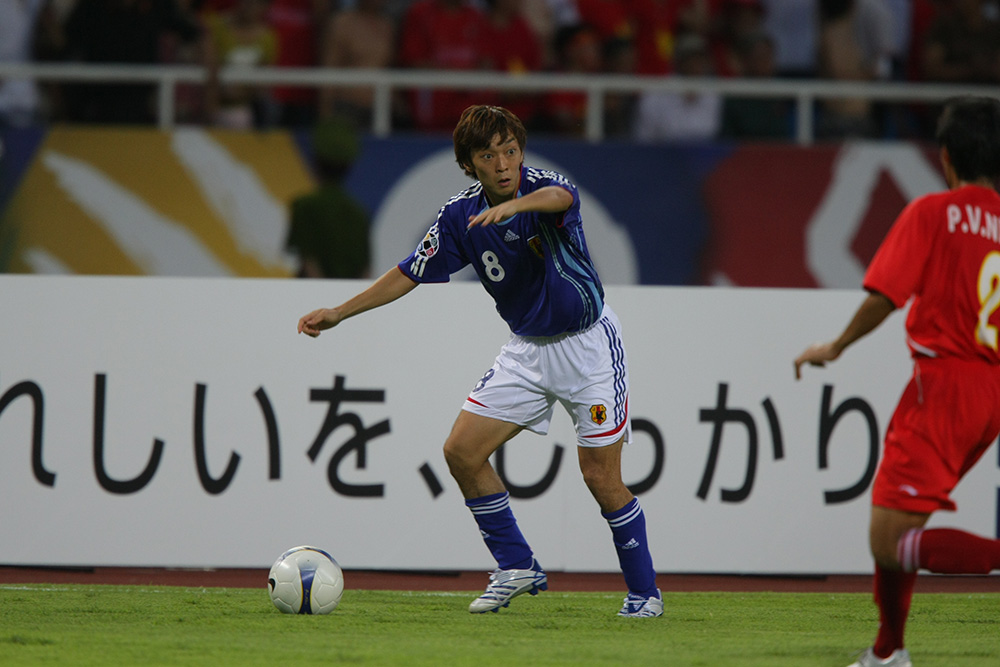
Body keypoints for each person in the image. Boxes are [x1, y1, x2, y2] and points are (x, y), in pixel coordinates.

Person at [298, 104, 662, 617]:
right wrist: (340, 311)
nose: (503, 163)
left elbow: (562, 198)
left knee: (600, 477)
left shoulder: (543, 189)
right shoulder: (459, 217)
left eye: (510, 151)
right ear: (468, 165)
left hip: (588, 348)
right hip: (527, 351)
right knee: (462, 451)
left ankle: (645, 594)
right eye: (488, 156)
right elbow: (409, 271)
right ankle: (516, 565)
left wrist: (515, 208)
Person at [794, 96, 1000, 667]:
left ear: (946, 157)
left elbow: (886, 294)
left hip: (944, 387)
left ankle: (890, 650)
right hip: (990, 393)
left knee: (888, 540)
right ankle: (889, 652)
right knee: (901, 528)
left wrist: (836, 345)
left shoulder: (933, 212)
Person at [285, 116, 371, 279]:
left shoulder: (304, 206)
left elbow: (308, 261)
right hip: (350, 293)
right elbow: (365, 271)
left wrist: (324, 292)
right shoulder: (359, 213)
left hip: (315, 292)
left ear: (315, 162)